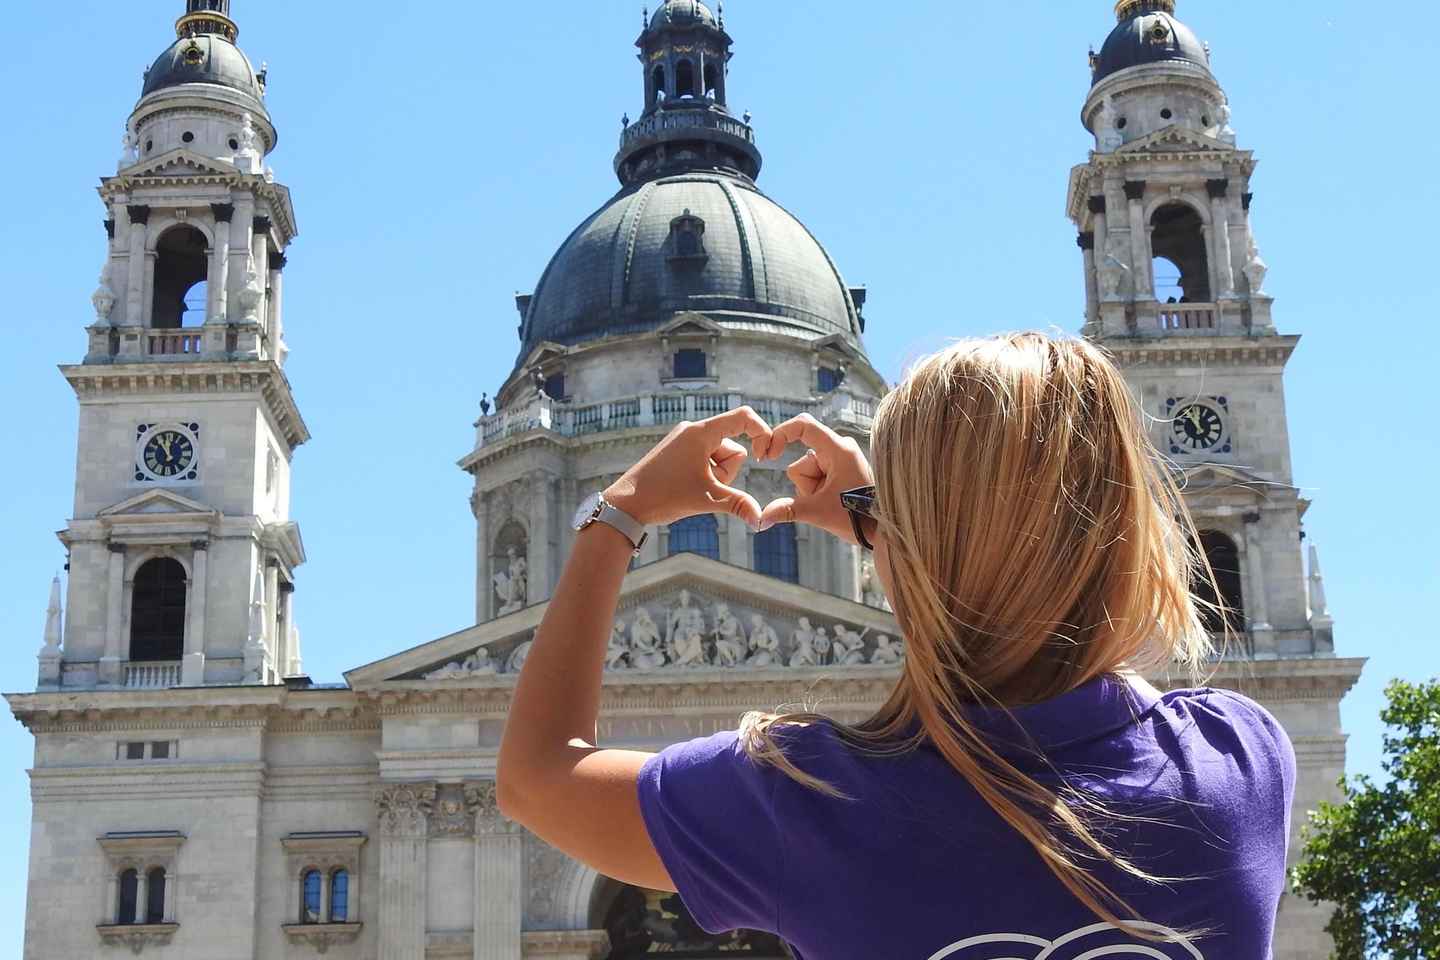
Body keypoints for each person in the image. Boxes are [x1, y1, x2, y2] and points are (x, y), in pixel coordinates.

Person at [497, 333, 1294, 959]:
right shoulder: (1241, 757)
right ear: (1134, 530)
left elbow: (535, 776)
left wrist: (618, 516)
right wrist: (904, 537)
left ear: (905, 550)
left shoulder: (810, 800)